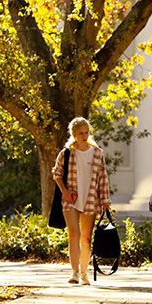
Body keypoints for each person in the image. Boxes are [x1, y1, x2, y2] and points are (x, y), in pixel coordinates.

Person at [52, 117, 112, 285]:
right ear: (74, 134)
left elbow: (103, 178)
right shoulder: (66, 153)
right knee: (74, 235)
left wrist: (105, 201)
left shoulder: (97, 153)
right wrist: (65, 191)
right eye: (80, 133)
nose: (84, 136)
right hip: (70, 200)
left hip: (91, 198)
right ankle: (74, 273)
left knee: (86, 238)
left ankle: (84, 273)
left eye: (86, 132)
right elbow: (57, 173)